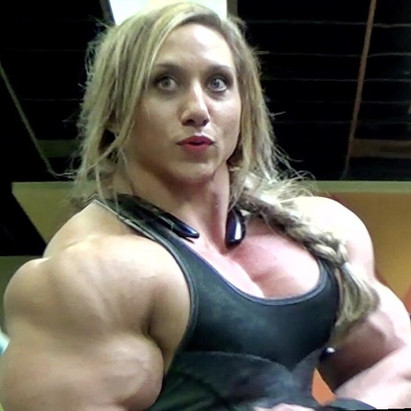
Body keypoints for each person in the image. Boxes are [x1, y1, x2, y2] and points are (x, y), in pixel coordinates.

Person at [0, 3, 410, 410]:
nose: (197, 110)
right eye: (164, 83)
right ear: (114, 110)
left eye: (218, 83)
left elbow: (398, 363)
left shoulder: (321, 232)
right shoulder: (87, 275)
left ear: (244, 105)